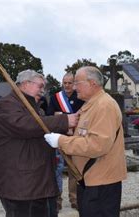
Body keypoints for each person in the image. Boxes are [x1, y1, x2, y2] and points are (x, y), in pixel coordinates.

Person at [0, 69, 78, 217]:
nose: (42, 91)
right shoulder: (6, 105)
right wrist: (64, 120)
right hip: (22, 186)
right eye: (40, 86)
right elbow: (25, 125)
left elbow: (40, 130)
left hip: (37, 182)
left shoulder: (32, 106)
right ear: (25, 84)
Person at [44, 66, 127, 217]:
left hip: (101, 181)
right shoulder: (91, 105)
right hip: (90, 179)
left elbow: (97, 145)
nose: (74, 87)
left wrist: (61, 141)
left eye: (77, 83)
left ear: (92, 83)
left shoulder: (104, 106)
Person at [46, 72, 84, 211]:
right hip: (59, 138)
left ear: (74, 83)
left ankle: (74, 199)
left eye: (70, 83)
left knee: (74, 169)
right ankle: (57, 200)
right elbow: (50, 115)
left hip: (75, 137)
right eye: (65, 83)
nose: (67, 85)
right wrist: (68, 117)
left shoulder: (80, 97)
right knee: (57, 170)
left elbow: (83, 115)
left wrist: (61, 115)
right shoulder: (56, 97)